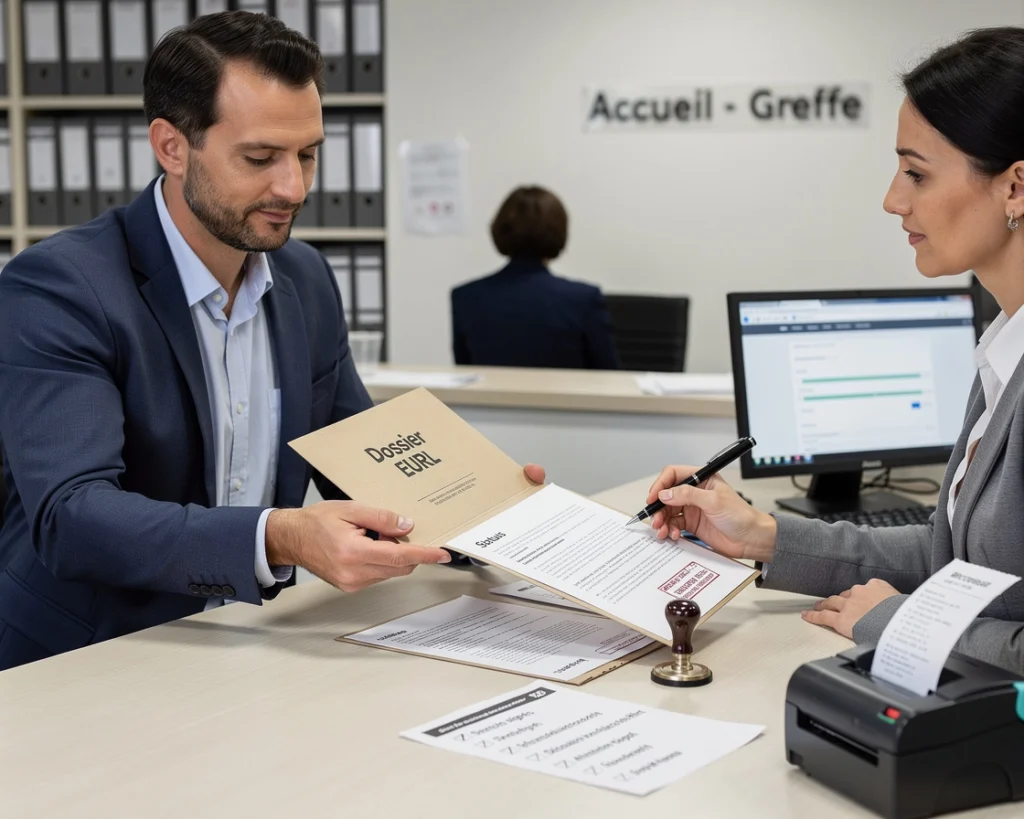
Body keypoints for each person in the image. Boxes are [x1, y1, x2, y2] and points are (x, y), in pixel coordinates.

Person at [0, 12, 542, 672]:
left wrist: (489, 513)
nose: (294, 187)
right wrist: (279, 534)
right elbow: (72, 515)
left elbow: (367, 453)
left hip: (247, 645)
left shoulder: (305, 277)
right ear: (172, 147)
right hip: (85, 660)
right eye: (260, 158)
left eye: (307, 154)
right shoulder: (62, 285)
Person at [647, 27, 1024, 674]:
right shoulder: (1002, 348)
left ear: (1015, 187)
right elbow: (959, 564)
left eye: (916, 173)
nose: (892, 199)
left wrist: (895, 621)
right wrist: (760, 535)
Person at [451, 186, 620, 369]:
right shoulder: (584, 299)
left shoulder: (465, 297)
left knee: (417, 398)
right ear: (560, 232)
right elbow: (609, 377)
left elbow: (467, 372)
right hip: (563, 398)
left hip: (491, 398)